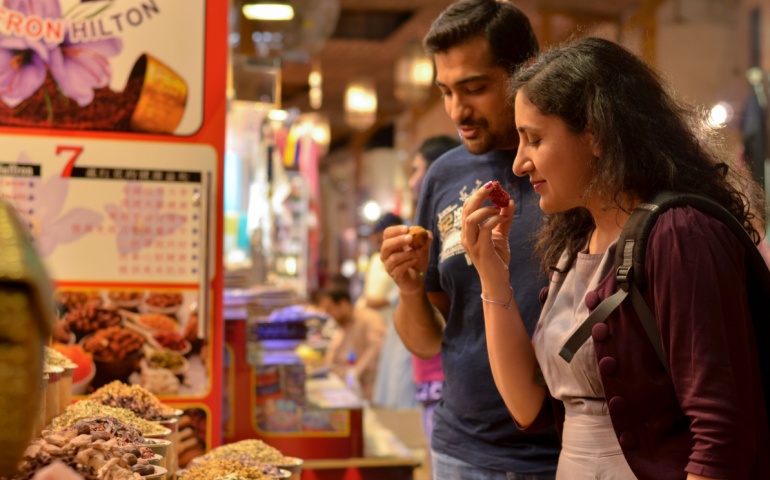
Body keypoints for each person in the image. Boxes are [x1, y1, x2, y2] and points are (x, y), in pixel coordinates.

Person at [461, 37, 770, 479]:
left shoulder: (680, 234)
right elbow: (529, 407)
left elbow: (722, 434)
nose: (519, 164)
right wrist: (492, 275)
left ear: (597, 135)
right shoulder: (575, 245)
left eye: (534, 139)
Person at [380, 1, 561, 478]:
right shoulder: (444, 176)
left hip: (558, 452)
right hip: (460, 448)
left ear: (526, 73)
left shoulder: (567, 166)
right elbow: (427, 342)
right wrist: (408, 287)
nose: (458, 110)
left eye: (475, 88)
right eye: (445, 91)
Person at [406, 135, 461, 446]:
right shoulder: (425, 224)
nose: (412, 180)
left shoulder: (451, 229)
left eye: (416, 170)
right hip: (430, 364)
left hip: (446, 370)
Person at [319, 287, 385, 402]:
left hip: (370, 392)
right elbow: (331, 359)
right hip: (346, 391)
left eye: (330, 309)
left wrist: (354, 374)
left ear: (343, 304)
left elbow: (376, 347)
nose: (329, 315)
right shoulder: (341, 328)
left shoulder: (369, 318)